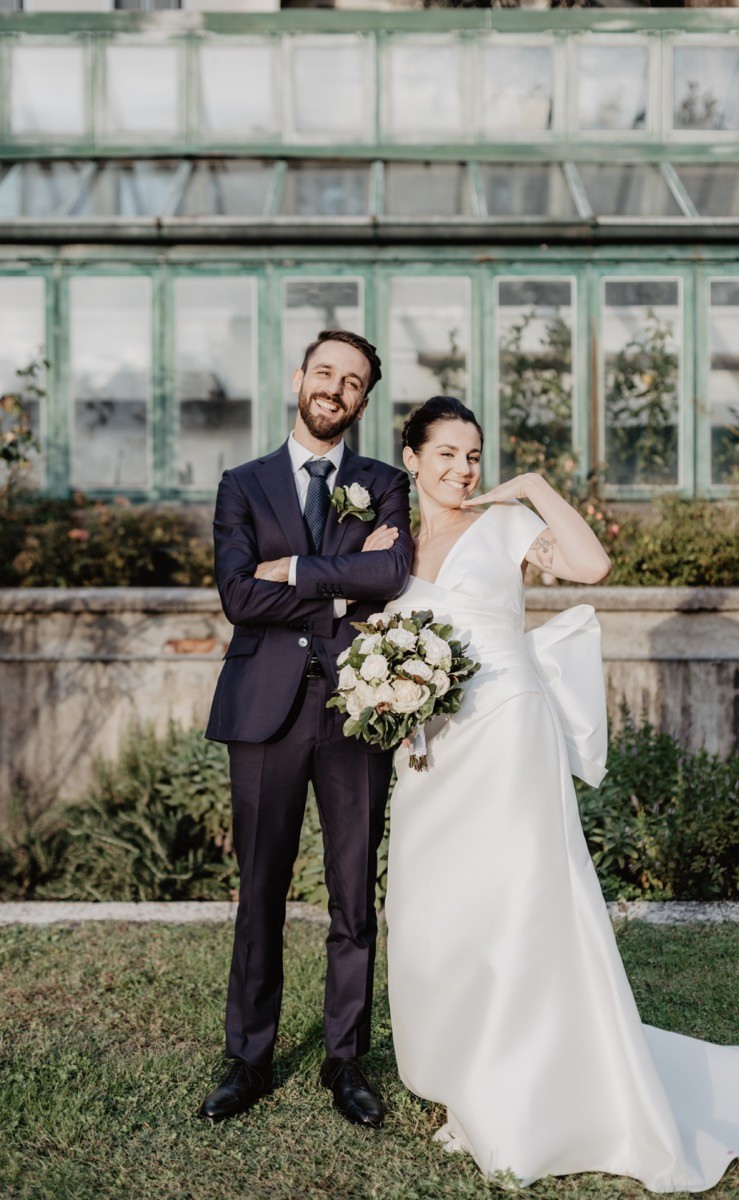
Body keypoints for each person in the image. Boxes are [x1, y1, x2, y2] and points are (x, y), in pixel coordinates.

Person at [384, 395, 739, 1192]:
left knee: (517, 903)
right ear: (411, 457)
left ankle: (530, 1091)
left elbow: (589, 566)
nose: (461, 468)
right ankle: (469, 1072)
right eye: (444, 454)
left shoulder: (503, 524)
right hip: (430, 752)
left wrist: (533, 485)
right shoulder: (390, 543)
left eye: (472, 454)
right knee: (441, 910)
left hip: (507, 729)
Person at [200, 329, 412, 1129]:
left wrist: (289, 572)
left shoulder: (386, 483)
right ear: (299, 378)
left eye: (352, 381)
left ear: (363, 399)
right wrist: (336, 594)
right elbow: (236, 597)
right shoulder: (242, 485)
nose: (335, 388)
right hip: (265, 710)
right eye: (325, 372)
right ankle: (247, 1059)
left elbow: (389, 577)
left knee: (353, 897)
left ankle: (345, 1061)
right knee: (259, 891)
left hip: (359, 707)